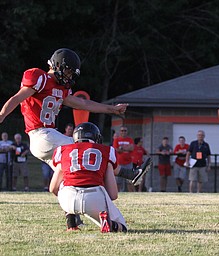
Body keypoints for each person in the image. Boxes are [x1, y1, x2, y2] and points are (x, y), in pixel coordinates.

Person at [0, 48, 148, 186]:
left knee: (69, 179)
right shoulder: (40, 78)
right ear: (58, 65)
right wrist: (1, 115)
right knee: (87, 149)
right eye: (69, 72)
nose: (69, 76)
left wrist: (111, 109)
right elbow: (16, 98)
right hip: (43, 135)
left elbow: (84, 103)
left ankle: (71, 213)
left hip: (47, 139)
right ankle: (129, 173)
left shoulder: (61, 89)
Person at [49, 122, 127, 232]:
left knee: (63, 182)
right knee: (122, 227)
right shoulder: (107, 151)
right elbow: (113, 194)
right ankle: (110, 224)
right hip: (94, 197)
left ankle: (71, 222)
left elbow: (52, 188)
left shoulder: (62, 150)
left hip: (68, 198)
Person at [113, 126, 134, 192]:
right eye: (122, 130)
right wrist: (126, 148)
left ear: (127, 132)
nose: (123, 132)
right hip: (119, 162)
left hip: (128, 162)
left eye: (125, 130)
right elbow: (116, 149)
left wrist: (122, 148)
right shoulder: (117, 140)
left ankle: (131, 194)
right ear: (120, 132)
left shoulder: (130, 139)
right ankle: (117, 193)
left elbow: (132, 148)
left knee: (129, 180)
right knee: (118, 181)